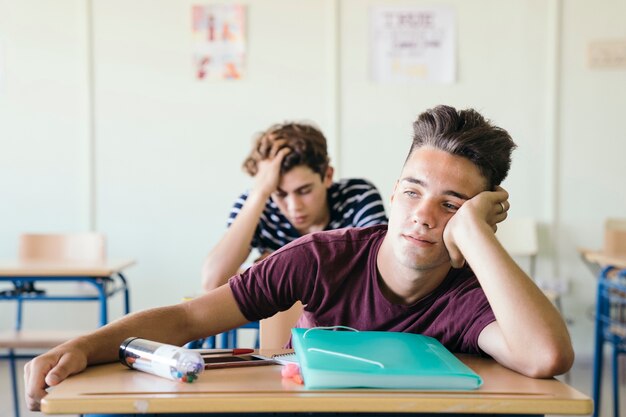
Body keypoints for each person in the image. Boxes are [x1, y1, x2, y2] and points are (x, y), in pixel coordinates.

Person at [24, 105, 574, 411]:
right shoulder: (318, 258)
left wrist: (476, 236)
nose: (423, 215)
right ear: (391, 190)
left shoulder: (468, 294)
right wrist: (82, 345)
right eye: (412, 190)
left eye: (451, 204)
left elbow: (545, 355)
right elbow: (190, 317)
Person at [201, 122, 388, 291]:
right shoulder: (256, 204)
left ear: (328, 176)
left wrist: (279, 266)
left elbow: (382, 272)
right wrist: (260, 193)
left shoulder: (357, 195)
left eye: (304, 190)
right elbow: (213, 283)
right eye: (280, 194)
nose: (294, 206)